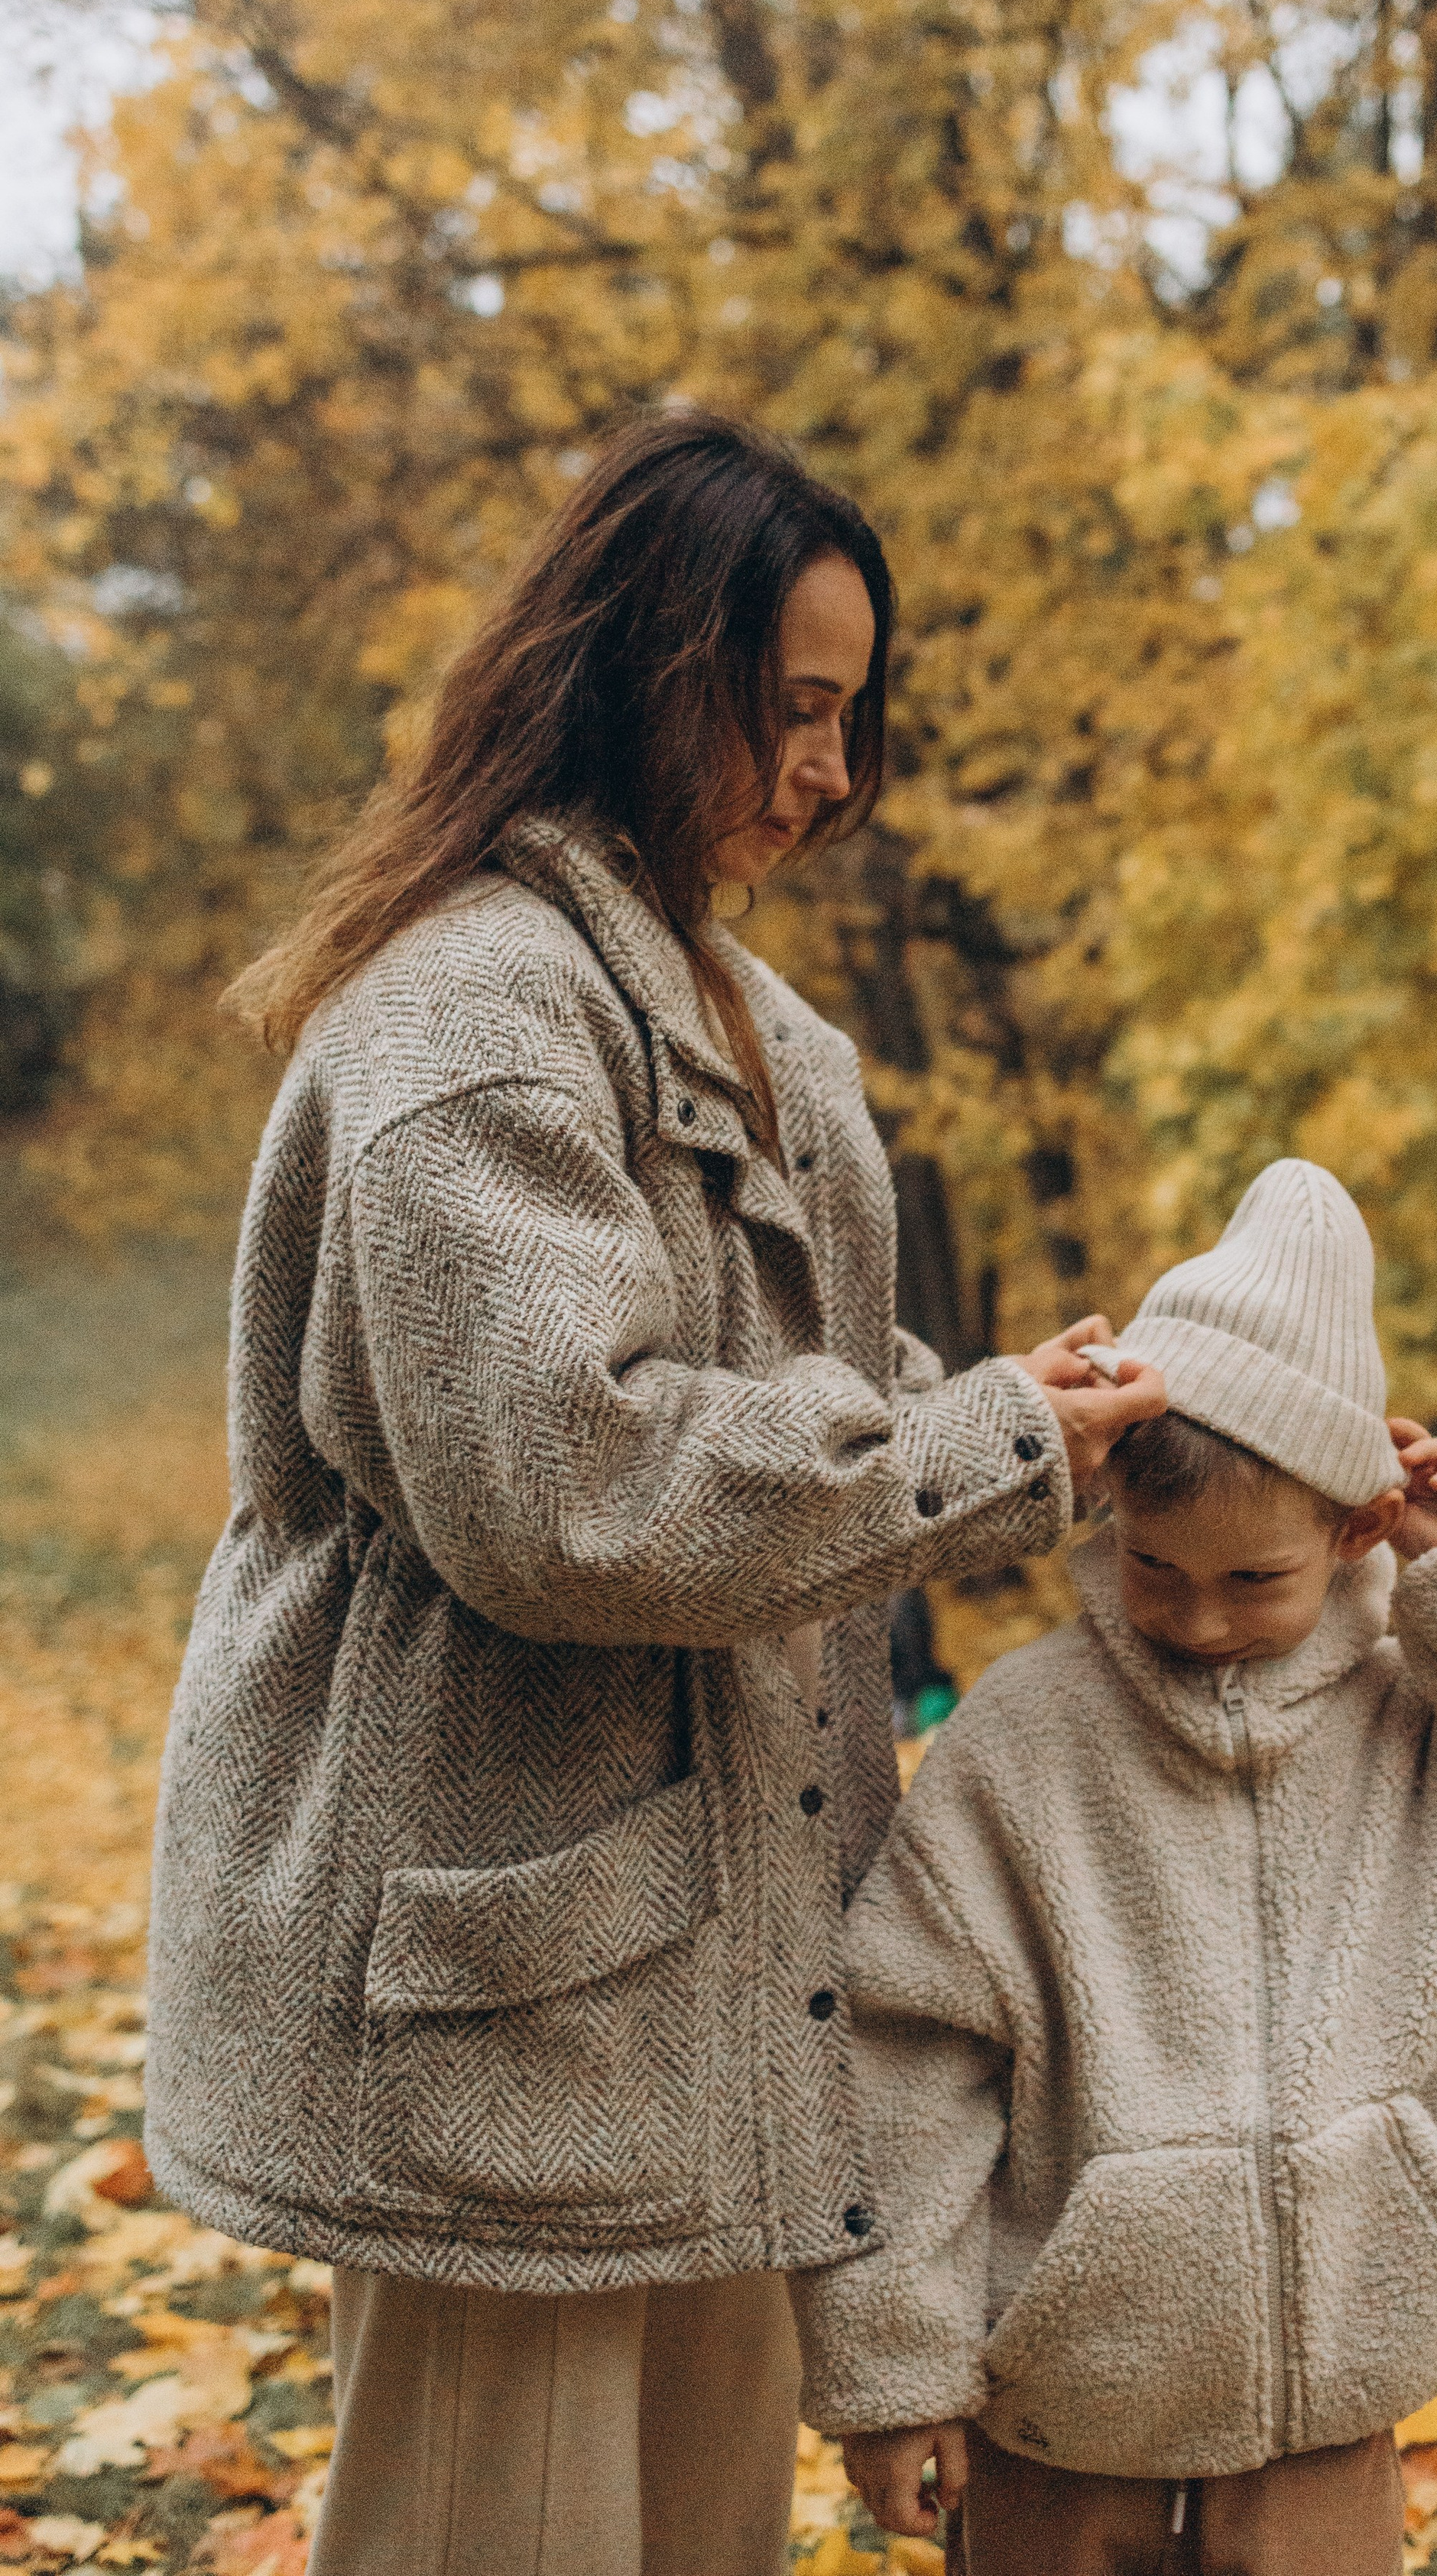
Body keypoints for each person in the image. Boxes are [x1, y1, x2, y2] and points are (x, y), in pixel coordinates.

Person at [141, 406, 1165, 2576]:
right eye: (796, 709)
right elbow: (568, 1480)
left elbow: (787, 1384)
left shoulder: (770, 1035)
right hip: (502, 1994)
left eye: (853, 717)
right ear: (643, 665)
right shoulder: (474, 1018)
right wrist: (981, 1448)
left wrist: (1013, 1408)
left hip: (721, 1961)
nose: (832, 771)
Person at [790, 1158, 1437, 2576]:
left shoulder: (1428, 1714)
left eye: (1255, 1581)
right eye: (1158, 1569)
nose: (1201, 1620)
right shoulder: (1024, 1743)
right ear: (1108, 1517)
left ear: (1358, 1530)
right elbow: (906, 2059)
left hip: (1335, 2394)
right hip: (1061, 2411)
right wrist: (897, 2374)